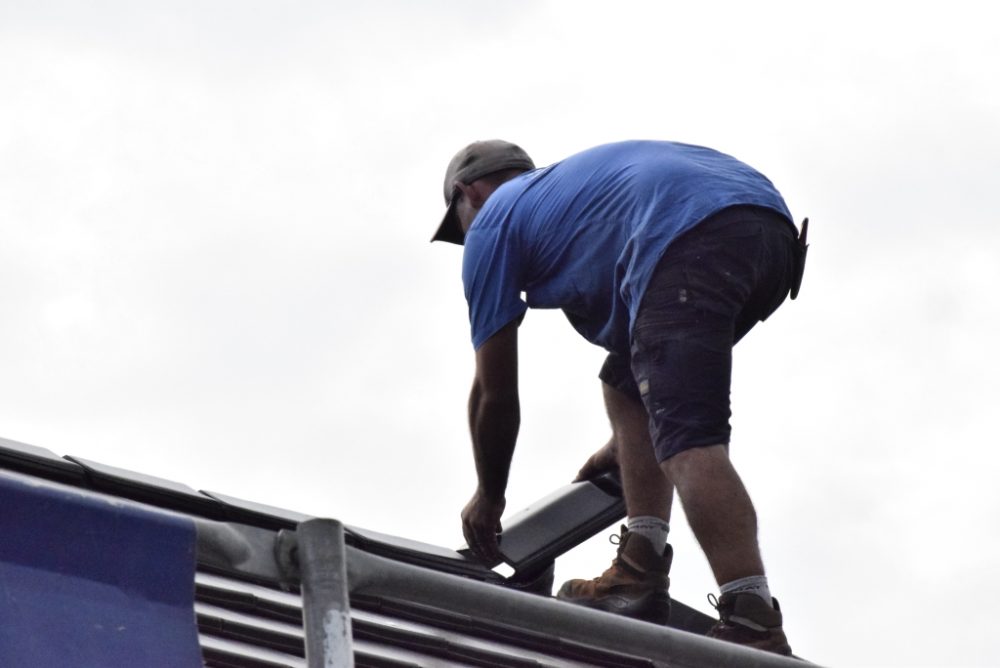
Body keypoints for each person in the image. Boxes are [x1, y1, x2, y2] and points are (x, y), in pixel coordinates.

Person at [432, 139, 806, 655]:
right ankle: (639, 567)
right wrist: (626, 445)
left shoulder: (494, 219)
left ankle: (752, 616)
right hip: (768, 234)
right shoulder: (575, 202)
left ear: (466, 192)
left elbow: (493, 392)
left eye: (458, 226)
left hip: (693, 233)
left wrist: (488, 497)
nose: (466, 238)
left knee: (687, 443)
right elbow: (647, 359)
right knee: (627, 386)